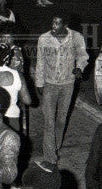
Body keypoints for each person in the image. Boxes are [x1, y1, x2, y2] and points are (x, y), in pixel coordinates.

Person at [34, 14, 90, 162]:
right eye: (53, 22)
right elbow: (40, 62)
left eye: (58, 23)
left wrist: (79, 68)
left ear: (65, 25)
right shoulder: (44, 39)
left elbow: (83, 56)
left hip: (67, 84)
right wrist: (39, 83)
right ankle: (50, 156)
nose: (54, 26)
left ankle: (55, 146)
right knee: (49, 122)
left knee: (61, 120)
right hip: (50, 84)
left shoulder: (76, 37)